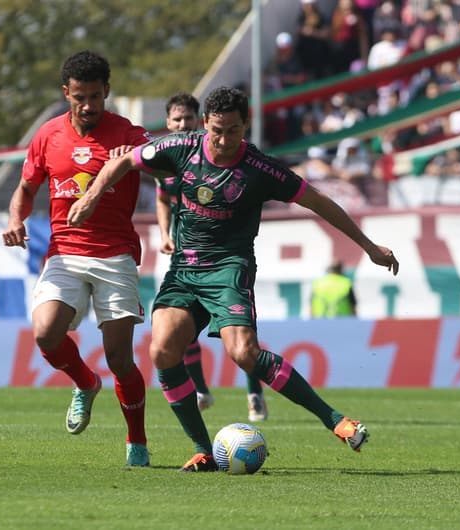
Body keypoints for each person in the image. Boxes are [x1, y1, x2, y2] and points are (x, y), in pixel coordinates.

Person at [69, 86, 399, 472]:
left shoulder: (261, 169)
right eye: (218, 130)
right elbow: (123, 163)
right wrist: (91, 197)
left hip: (229, 268)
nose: (224, 141)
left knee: (243, 353)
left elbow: (320, 202)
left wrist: (369, 246)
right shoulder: (181, 146)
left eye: (234, 131)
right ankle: (203, 450)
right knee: (162, 351)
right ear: (206, 122)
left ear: (247, 126)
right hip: (185, 270)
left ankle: (335, 421)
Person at [2, 50, 150, 467]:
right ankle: (85, 383)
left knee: (120, 359)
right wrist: (17, 218)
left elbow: (166, 168)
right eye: (80, 97)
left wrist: (134, 157)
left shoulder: (127, 133)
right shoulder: (48, 135)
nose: (88, 106)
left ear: (108, 91)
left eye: (96, 97)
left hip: (114, 256)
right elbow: (27, 188)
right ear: (66, 92)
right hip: (65, 253)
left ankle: (136, 441)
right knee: (46, 333)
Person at [157, 92, 268, 421]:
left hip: (225, 255)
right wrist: (165, 234)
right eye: (176, 120)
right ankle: (201, 388)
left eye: (187, 119)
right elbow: (164, 200)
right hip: (186, 253)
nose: (181, 124)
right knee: (180, 324)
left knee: (240, 331)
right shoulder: (168, 160)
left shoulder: (212, 152)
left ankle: (254, 391)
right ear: (167, 123)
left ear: (199, 122)